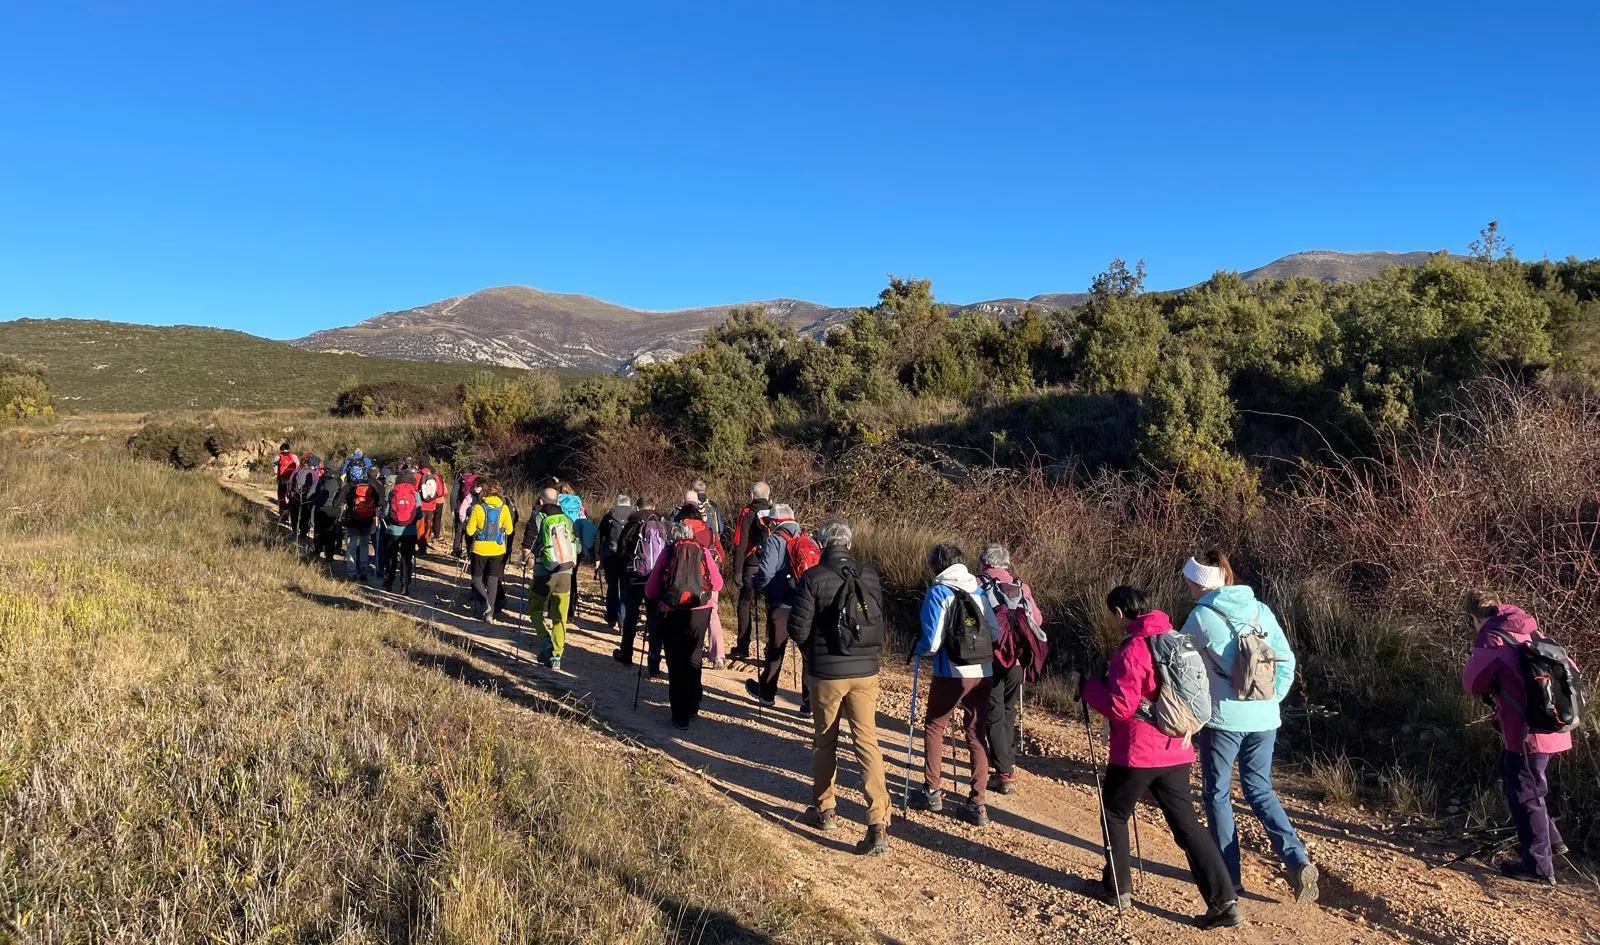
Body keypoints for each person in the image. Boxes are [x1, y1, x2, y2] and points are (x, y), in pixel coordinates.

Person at [1084, 586, 1242, 929]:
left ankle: (1117, 889)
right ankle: (1224, 900)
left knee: (1114, 813)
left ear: (1119, 613)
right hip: (1177, 747)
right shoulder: (1175, 638)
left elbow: (1121, 707)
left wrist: (1089, 688)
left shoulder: (1132, 650)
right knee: (1186, 825)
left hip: (1137, 752)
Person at [1180, 550, 1317, 903]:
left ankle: (1229, 876)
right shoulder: (1261, 610)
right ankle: (1296, 858)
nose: (1187, 587)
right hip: (1265, 719)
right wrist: (1272, 700)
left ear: (1199, 582)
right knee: (1260, 790)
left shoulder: (1200, 617)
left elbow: (1180, 669)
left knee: (1218, 794)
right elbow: (1286, 659)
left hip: (1223, 721)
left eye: (1189, 581)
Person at [787, 518, 892, 856]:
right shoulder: (870, 575)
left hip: (827, 672)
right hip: (866, 671)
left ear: (822, 543)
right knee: (867, 742)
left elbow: (798, 629)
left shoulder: (813, 578)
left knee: (825, 740)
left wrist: (811, 654)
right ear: (849, 543)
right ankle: (878, 823)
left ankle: (826, 810)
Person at [1461, 591, 1575, 884]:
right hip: (1553, 726)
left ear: (1475, 617)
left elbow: (1472, 683)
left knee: (1524, 791)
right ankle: (1551, 841)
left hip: (1524, 731)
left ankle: (1538, 865)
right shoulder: (1529, 628)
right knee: (1532, 784)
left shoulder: (1492, 637)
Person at [912, 543, 999, 826]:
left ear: (937, 565)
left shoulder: (939, 591)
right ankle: (977, 803)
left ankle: (932, 790)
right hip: (983, 671)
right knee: (975, 734)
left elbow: (933, 641)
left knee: (935, 726)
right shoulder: (978, 589)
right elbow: (995, 632)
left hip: (951, 671)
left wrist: (918, 649)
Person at [976, 543, 1044, 797]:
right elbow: (1036, 619)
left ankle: (1004, 772)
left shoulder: (978, 584)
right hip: (1017, 661)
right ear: (1005, 563)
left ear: (984, 562)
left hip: (991, 658)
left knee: (993, 711)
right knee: (1008, 709)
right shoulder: (1021, 586)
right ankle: (1006, 761)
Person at [644, 521, 724, 729]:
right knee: (694, 656)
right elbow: (717, 583)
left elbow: (650, 590)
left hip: (671, 612)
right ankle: (693, 703)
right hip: (700, 610)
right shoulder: (703, 551)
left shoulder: (668, 553)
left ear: (671, 537)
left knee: (675, 662)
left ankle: (680, 716)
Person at [746, 504, 812, 713]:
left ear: (775, 522)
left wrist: (755, 582)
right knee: (807, 653)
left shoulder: (775, 540)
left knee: (775, 649)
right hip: (805, 604)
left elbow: (766, 572)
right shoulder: (807, 539)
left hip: (781, 604)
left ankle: (766, 694)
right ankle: (809, 703)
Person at [521, 486, 578, 670]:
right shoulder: (568, 520)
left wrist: (526, 560)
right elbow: (576, 548)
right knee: (560, 616)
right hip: (565, 573)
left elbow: (526, 550)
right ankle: (556, 657)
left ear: (540, 501)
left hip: (543, 572)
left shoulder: (537, 519)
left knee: (534, 608)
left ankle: (545, 639)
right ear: (558, 501)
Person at [676, 490, 729, 668]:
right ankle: (719, 655)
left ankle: (689, 654)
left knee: (685, 616)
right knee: (712, 615)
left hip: (685, 581)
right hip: (709, 581)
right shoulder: (710, 532)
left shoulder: (680, 529)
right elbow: (721, 554)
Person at [612, 498, 666, 670]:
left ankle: (626, 654)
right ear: (654, 507)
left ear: (637, 507)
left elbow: (622, 549)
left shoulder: (632, 524)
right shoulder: (662, 525)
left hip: (634, 577)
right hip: (655, 578)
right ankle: (654, 662)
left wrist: (622, 569)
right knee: (654, 620)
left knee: (631, 617)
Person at [729, 481, 774, 661]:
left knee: (745, 604)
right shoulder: (775, 513)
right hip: (771, 566)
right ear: (768, 496)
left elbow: (740, 543)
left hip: (751, 565)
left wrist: (737, 570)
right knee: (771, 607)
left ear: (752, 495)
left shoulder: (747, 513)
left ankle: (743, 646)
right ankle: (771, 649)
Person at [463, 480, 512, 623]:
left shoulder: (478, 508)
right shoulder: (504, 509)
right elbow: (509, 530)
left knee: (477, 579)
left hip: (479, 549)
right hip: (498, 549)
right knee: (493, 581)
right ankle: (489, 614)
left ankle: (485, 602)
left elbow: (470, 531)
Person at [557, 482, 595, 626]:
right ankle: (570, 611)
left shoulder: (556, 502)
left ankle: (557, 606)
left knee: (558, 574)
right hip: (576, 544)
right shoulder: (579, 503)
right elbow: (585, 521)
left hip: (561, 542)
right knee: (572, 575)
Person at [338, 462, 383, 581]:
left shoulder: (349, 485)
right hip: (367, 519)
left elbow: (336, 503)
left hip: (352, 520)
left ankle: (352, 572)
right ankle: (364, 571)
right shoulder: (371, 483)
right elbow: (381, 501)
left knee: (352, 547)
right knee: (364, 545)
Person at [380, 468, 421, 595]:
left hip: (392, 531)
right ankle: (404, 585)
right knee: (406, 558)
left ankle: (389, 582)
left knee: (391, 557)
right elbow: (419, 513)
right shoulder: (415, 493)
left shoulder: (393, 492)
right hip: (410, 531)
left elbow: (386, 512)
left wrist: (383, 515)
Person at [596, 494, 634, 629]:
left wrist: (597, 558)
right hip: (628, 558)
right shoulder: (634, 517)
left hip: (611, 557)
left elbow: (600, 537)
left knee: (612, 586)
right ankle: (623, 620)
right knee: (625, 589)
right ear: (629, 504)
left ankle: (611, 617)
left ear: (616, 504)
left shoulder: (609, 517)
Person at [310, 464, 343, 562]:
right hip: (334, 509)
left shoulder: (320, 480)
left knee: (318, 530)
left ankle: (318, 549)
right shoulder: (339, 481)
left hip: (321, 508)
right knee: (331, 532)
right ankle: (329, 554)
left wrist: (312, 502)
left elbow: (312, 494)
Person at [288, 455, 323, 541]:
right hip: (307, 499)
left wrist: (289, 493)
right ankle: (303, 533)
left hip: (295, 496)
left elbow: (290, 482)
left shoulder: (297, 470)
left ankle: (295, 531)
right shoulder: (314, 473)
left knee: (294, 514)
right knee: (305, 515)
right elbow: (316, 486)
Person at [451, 468, 481, 559]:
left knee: (459, 530)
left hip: (461, 508)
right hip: (475, 510)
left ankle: (456, 550)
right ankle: (470, 551)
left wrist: (453, 508)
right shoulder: (478, 482)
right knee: (471, 531)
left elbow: (453, 495)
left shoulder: (460, 481)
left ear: (461, 474)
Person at [416, 465, 443, 556]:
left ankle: (420, 547)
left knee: (420, 527)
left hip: (420, 506)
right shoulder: (435, 477)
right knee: (428, 527)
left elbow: (415, 490)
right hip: (431, 507)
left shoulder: (418, 476)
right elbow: (440, 492)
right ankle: (424, 547)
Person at [274, 442, 299, 523]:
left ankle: (283, 516)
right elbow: (298, 468)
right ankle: (291, 515)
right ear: (289, 449)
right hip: (292, 481)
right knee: (291, 497)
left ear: (281, 450)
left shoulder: (277, 457)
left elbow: (275, 470)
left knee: (282, 498)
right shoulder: (294, 457)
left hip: (282, 481)